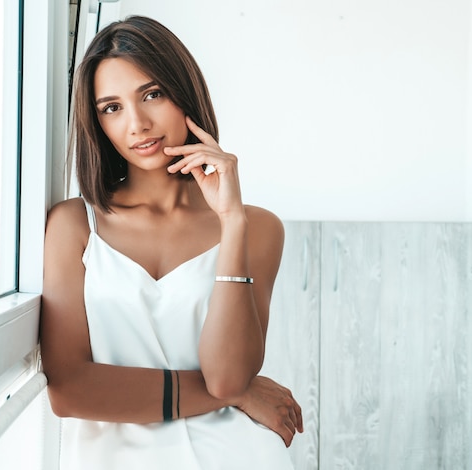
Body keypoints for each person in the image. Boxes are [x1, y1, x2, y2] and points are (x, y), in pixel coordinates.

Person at [40, 15, 303, 469]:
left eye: (152, 94)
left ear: (184, 93)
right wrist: (240, 394)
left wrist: (231, 222)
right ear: (96, 122)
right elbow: (69, 391)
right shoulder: (74, 225)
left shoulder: (255, 227)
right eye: (112, 107)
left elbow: (228, 374)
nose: (137, 124)